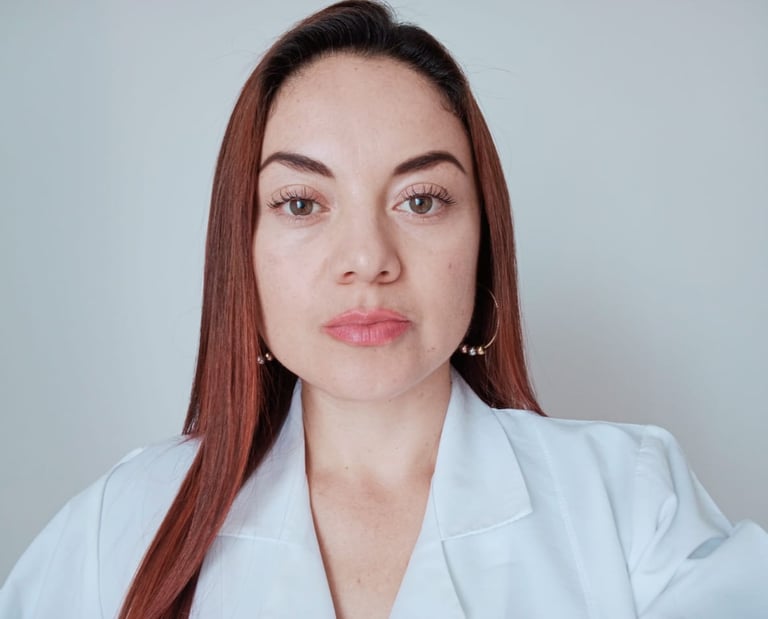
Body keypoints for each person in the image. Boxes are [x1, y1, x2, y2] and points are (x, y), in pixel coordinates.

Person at [2, 1, 767, 617]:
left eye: (421, 199)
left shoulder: (628, 501)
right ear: (243, 245)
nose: (367, 257)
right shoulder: (122, 527)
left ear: (484, 238)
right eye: (302, 201)